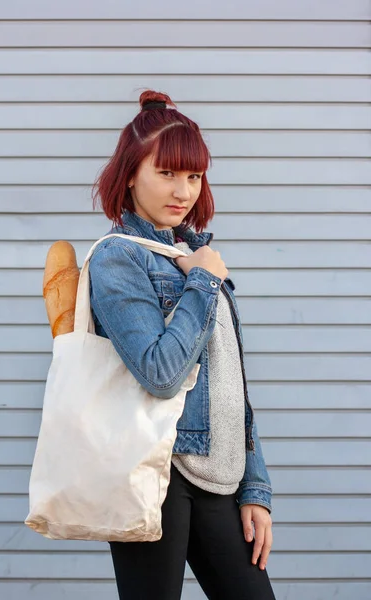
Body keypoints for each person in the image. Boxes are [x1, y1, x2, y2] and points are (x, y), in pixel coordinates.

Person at [89, 90, 276, 600]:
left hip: (217, 475)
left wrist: (253, 486)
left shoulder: (195, 254)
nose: (184, 190)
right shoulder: (119, 259)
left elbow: (229, 381)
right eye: (167, 173)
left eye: (193, 176)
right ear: (130, 173)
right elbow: (160, 372)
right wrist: (202, 284)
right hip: (153, 473)